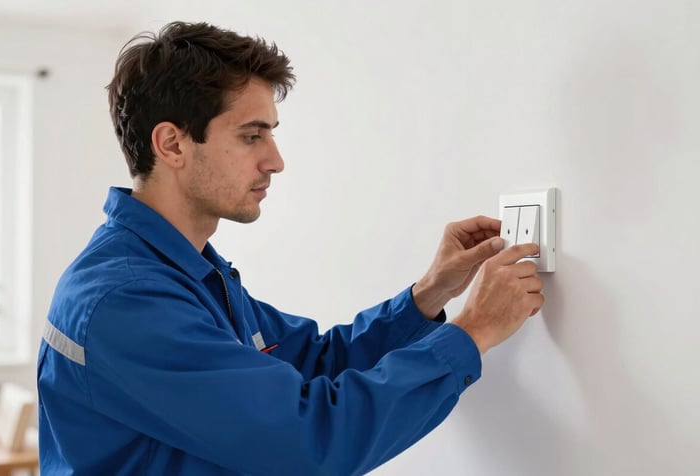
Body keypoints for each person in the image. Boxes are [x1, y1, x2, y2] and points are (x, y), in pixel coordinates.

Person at [37, 21, 543, 475]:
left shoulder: (187, 274)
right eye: (252, 136)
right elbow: (308, 441)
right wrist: (472, 333)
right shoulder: (125, 300)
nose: (275, 161)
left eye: (271, 135)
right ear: (172, 144)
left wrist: (428, 295)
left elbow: (316, 363)